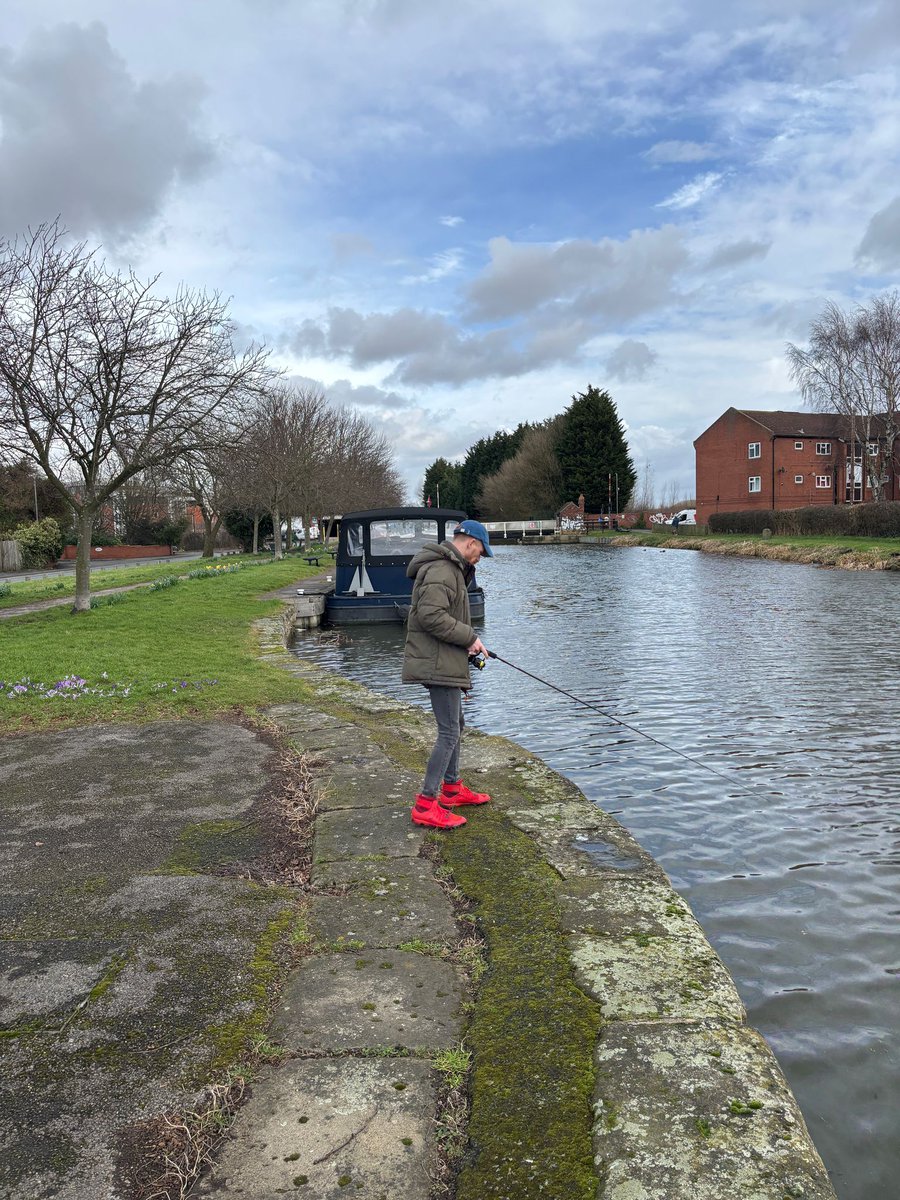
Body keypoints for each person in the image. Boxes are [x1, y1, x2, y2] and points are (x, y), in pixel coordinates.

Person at [402, 518, 493, 829]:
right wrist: (469, 638)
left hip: (444, 659)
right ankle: (426, 804)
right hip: (436, 663)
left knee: (457, 723)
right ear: (469, 543)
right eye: (481, 551)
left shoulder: (452, 568)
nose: (481, 557)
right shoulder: (442, 569)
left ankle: (452, 790)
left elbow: (443, 617)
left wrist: (467, 644)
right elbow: (430, 615)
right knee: (449, 731)